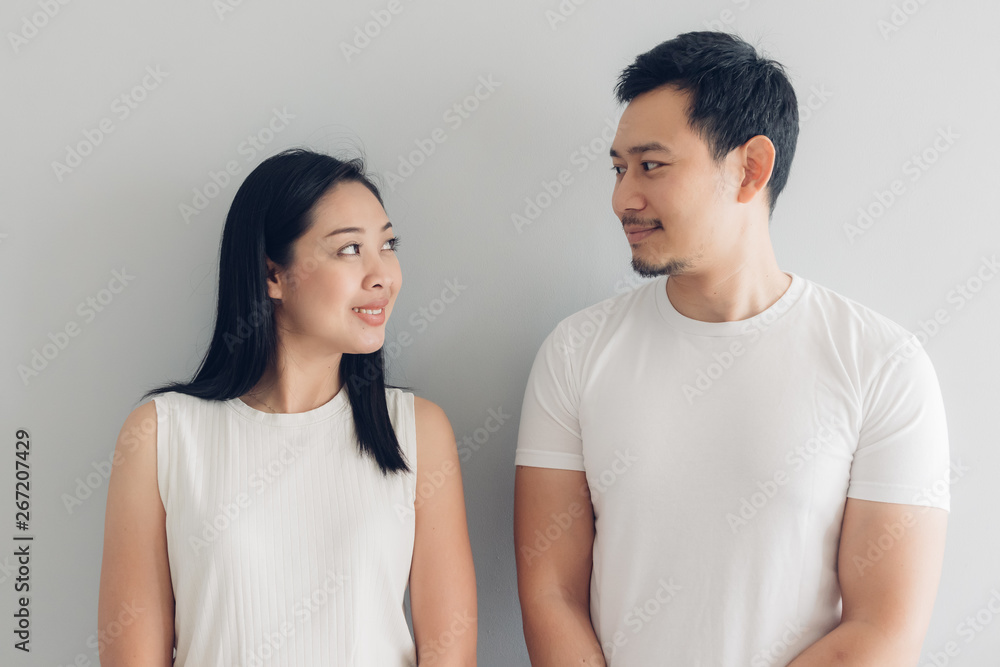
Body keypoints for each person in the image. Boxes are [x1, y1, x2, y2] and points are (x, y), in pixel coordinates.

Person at [514, 31, 949, 666]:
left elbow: (884, 629)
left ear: (750, 168)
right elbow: (551, 594)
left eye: (651, 165)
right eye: (618, 168)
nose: (621, 198)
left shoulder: (881, 363)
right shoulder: (575, 352)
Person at [98, 148, 477, 666]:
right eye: (349, 250)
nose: (383, 274)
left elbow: (449, 655)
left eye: (388, 245)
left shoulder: (417, 432)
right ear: (273, 275)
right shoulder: (162, 435)